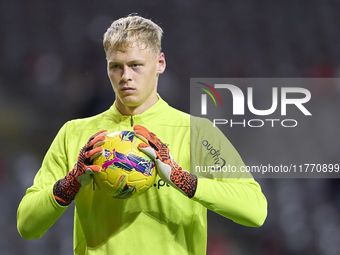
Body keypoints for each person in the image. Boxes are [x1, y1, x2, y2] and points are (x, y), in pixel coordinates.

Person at [17, 15, 267, 254]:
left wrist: (183, 180)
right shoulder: (75, 133)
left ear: (160, 63)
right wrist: (70, 184)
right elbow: (27, 226)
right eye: (116, 66)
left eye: (136, 65)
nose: (126, 77)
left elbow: (255, 210)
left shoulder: (196, 132)